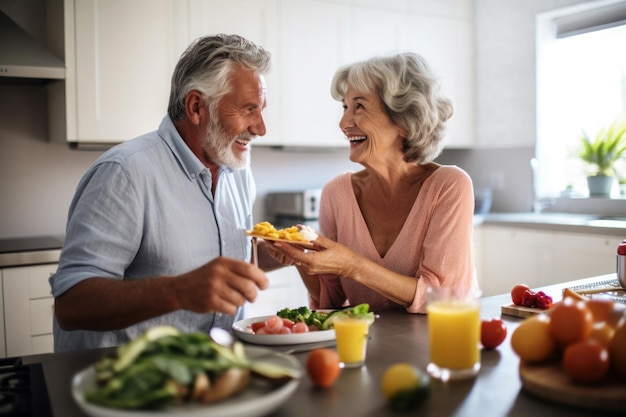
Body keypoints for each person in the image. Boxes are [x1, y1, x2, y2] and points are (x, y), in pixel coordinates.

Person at [50, 34, 281, 352]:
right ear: (196, 106)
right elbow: (72, 304)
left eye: (262, 109)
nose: (260, 127)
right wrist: (178, 291)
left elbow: (226, 261)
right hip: (128, 385)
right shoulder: (126, 172)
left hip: (210, 373)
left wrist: (286, 251)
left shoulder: (237, 168)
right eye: (248, 109)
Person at [268, 52, 478, 313]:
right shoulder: (336, 193)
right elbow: (330, 298)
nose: (344, 122)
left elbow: (442, 298)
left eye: (360, 107)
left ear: (404, 121)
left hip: (439, 346)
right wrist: (298, 258)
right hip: (369, 347)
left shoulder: (448, 186)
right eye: (345, 107)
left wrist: (352, 266)